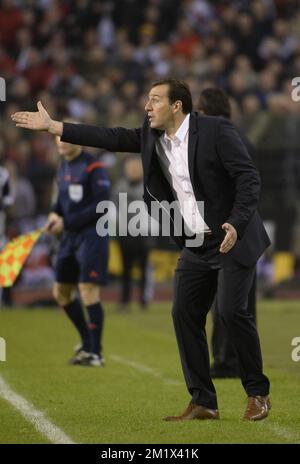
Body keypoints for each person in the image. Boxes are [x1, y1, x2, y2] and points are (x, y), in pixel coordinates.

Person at [11, 78, 271, 421]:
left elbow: (248, 178)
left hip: (231, 236)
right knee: (183, 314)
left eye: (155, 100)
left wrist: (236, 223)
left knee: (231, 312)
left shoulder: (216, 131)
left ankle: (257, 394)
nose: (147, 107)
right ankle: (204, 401)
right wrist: (55, 126)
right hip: (194, 241)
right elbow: (109, 137)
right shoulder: (150, 136)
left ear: (177, 105)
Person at [198, 87, 257, 379]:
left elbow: (244, 181)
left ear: (205, 110)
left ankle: (225, 360)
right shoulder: (240, 135)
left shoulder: (217, 136)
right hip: (247, 227)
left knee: (226, 304)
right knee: (242, 304)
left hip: (230, 230)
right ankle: (236, 361)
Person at [45, 134, 110, 366]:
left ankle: (96, 353)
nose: (61, 143)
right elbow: (59, 203)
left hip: (92, 236)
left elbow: (102, 205)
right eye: (58, 139)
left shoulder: (94, 167)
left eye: (66, 138)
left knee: (87, 289)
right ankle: (86, 343)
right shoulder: (62, 167)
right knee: (60, 292)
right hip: (69, 238)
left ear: (79, 140)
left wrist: (67, 222)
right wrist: (55, 215)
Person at [113, 156, 153, 311]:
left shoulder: (148, 186)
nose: (133, 170)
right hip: (125, 232)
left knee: (144, 269)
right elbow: (114, 208)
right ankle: (125, 300)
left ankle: (144, 300)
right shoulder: (120, 186)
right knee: (126, 269)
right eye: (130, 167)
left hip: (143, 232)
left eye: (136, 167)